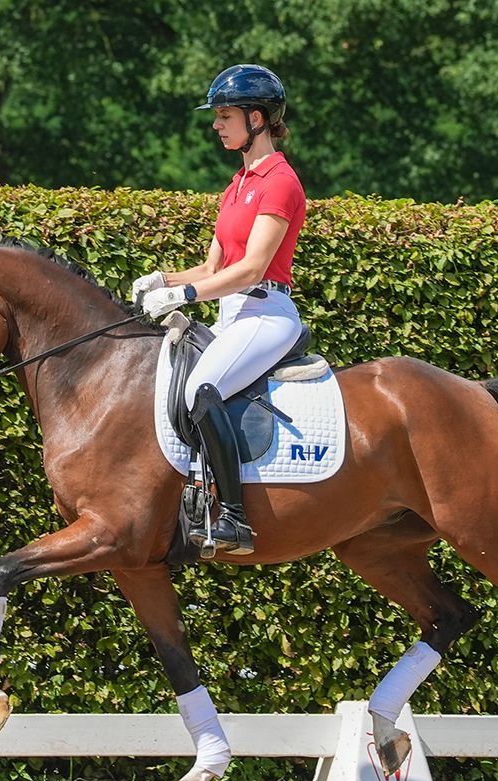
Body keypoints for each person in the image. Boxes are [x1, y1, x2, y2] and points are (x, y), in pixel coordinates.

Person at [135, 64, 308, 557]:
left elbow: (253, 268)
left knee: (201, 388)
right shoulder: (238, 184)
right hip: (233, 313)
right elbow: (213, 264)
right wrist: (165, 280)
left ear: (257, 118)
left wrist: (187, 298)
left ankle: (232, 518)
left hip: (266, 312)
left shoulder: (280, 182)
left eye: (225, 115)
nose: (216, 124)